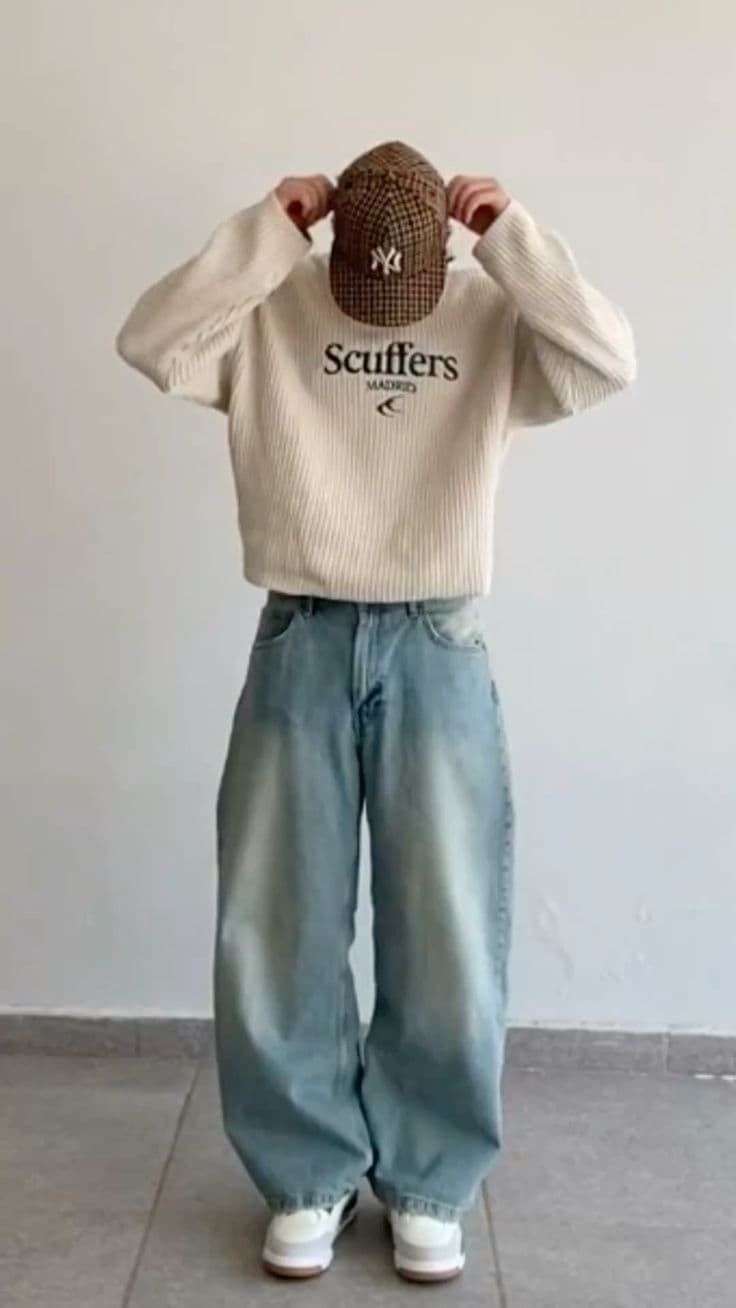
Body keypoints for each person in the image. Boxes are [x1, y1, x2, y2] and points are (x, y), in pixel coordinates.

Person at [115, 140, 637, 1283]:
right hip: (300, 631)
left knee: (445, 926)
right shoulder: (273, 306)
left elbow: (607, 360)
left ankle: (428, 1179)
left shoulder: (486, 312)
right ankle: (305, 1174)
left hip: (436, 638)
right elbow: (151, 342)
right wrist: (266, 231)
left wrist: (513, 240)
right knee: (276, 920)